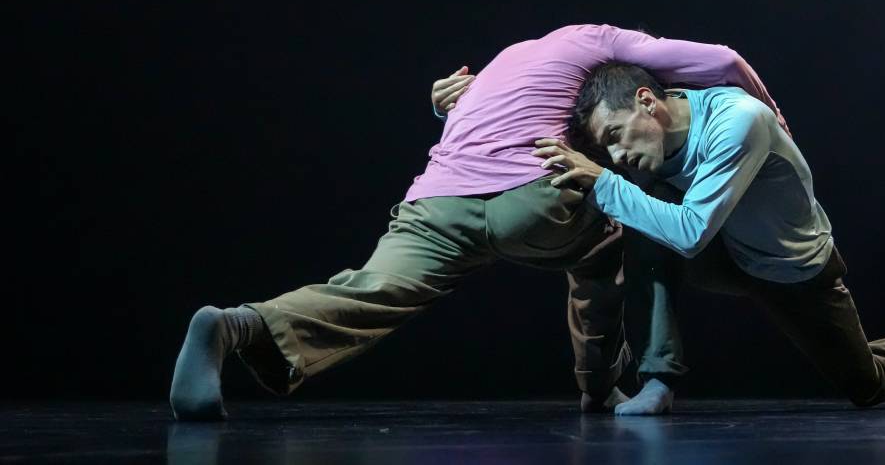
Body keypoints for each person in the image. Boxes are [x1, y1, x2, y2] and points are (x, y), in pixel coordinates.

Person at [169, 24, 784, 420]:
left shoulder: (501, 65)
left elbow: (465, 118)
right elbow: (722, 58)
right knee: (610, 238)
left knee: (373, 289)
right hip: (532, 198)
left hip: (438, 200)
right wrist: (773, 114)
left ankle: (237, 327)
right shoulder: (594, 42)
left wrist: (446, 102)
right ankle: (599, 386)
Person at [533, 62, 885, 415]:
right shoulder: (650, 145)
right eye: (607, 148)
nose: (618, 156)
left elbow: (690, 233)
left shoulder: (738, 121)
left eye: (615, 135)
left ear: (646, 101)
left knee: (866, 387)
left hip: (791, 268)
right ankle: (657, 380)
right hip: (724, 254)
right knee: (645, 218)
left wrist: (604, 182)